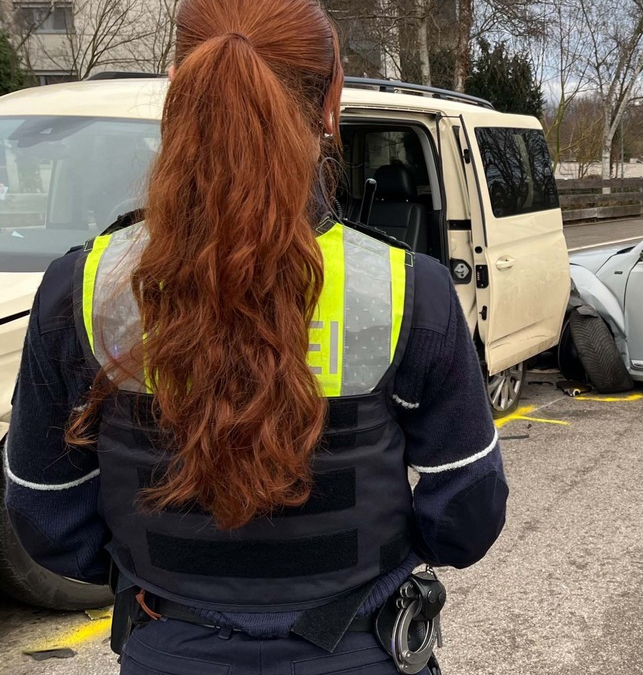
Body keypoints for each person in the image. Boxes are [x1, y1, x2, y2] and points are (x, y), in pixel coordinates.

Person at [2, 0, 508, 673]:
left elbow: (45, 514)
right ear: (331, 103)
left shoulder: (85, 289)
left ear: (180, 85)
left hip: (168, 647)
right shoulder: (408, 291)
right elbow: (466, 514)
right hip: (358, 650)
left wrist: (160, 579)